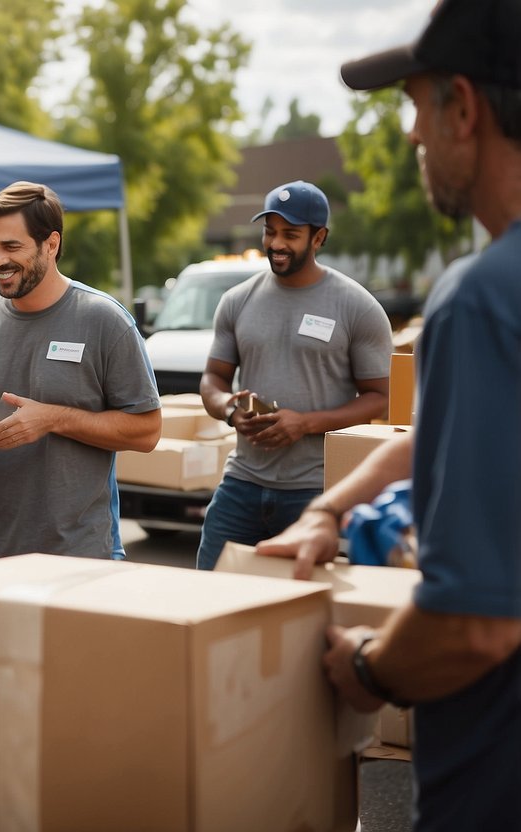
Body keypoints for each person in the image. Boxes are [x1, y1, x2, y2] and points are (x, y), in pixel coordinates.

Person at [258, 1, 521, 827]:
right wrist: (330, 510)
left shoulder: (482, 300)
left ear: (464, 107)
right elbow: (434, 441)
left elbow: (476, 626)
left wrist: (367, 671)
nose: (411, 135)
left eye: (414, 105)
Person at [0, 181, 161, 563]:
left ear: (51, 244)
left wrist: (53, 419)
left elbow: (147, 431)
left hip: (77, 556)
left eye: (12, 247)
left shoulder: (104, 321)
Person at [194, 180, 394, 571]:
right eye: (270, 231)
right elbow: (212, 379)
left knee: (305, 607)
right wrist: (228, 408)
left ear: (319, 238)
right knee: (210, 589)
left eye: (290, 234)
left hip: (315, 490)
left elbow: (381, 398)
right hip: (241, 482)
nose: (276, 243)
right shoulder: (237, 300)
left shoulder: (358, 307)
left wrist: (305, 424)